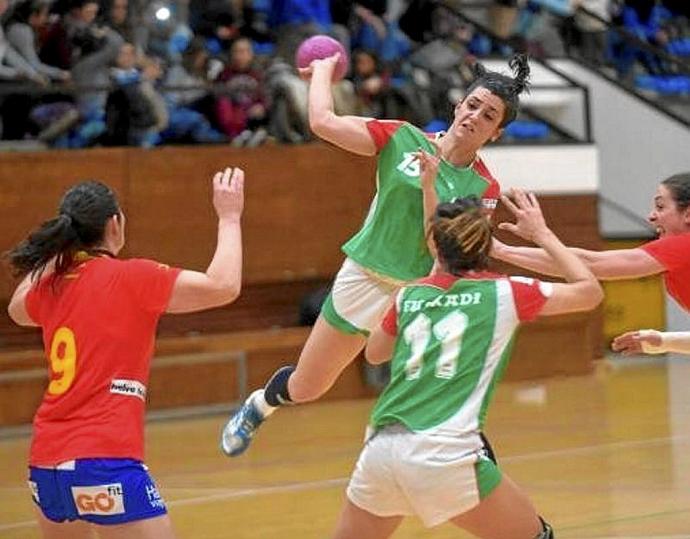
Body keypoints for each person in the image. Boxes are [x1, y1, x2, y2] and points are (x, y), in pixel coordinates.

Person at [221, 53, 532, 457]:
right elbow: (323, 123)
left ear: (496, 133)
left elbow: (440, 248)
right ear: (458, 106)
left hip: (418, 292)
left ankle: (474, 453)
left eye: (489, 116)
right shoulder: (403, 137)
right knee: (307, 387)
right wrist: (320, 74)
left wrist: (430, 187)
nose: (475, 116)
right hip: (365, 276)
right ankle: (260, 404)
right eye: (473, 105)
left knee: (443, 376)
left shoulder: (483, 187)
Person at [331, 187, 602, 539]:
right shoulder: (506, 293)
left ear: (437, 245)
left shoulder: (410, 294)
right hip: (442, 453)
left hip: (381, 451)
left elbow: (375, 353)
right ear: (483, 246)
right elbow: (590, 291)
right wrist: (541, 234)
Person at [7, 166, 244, 538]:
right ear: (115, 224)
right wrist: (229, 217)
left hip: (46, 465)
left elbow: (16, 308)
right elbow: (224, 285)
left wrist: (58, 255)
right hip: (105, 460)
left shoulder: (51, 287)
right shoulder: (132, 277)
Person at [491, 172, 690, 356]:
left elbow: (592, 263)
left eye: (661, 206)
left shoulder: (684, 246)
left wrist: (504, 250)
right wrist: (664, 341)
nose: (651, 216)